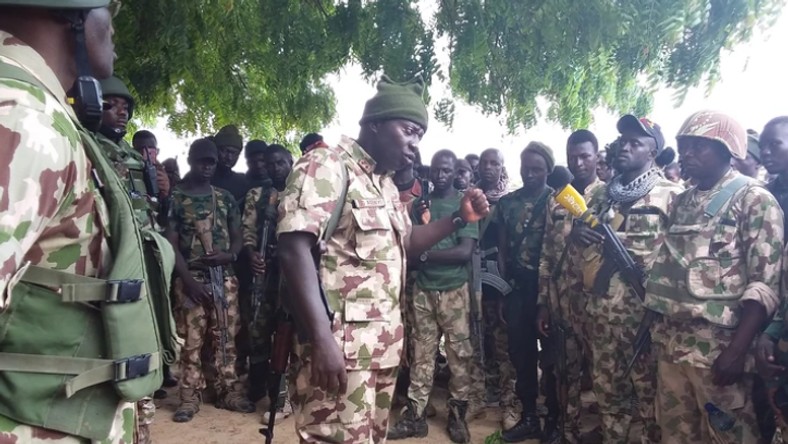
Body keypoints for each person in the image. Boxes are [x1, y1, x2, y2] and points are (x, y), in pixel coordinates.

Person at [276, 75, 489, 443]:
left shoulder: (384, 184)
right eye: (408, 130)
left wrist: (458, 218)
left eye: (419, 135)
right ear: (374, 124)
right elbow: (294, 249)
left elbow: (407, 241)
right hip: (340, 351)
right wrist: (321, 338)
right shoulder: (326, 165)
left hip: (382, 347)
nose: (414, 145)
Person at [0, 1, 172, 443]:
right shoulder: (23, 114)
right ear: (70, 15)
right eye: (107, 10)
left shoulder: (39, 109)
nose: (113, 28)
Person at [644, 111, 784, 443]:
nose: (687, 154)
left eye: (698, 147)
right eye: (683, 146)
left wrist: (736, 352)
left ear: (727, 150)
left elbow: (764, 285)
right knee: (676, 434)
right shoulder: (681, 201)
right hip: (672, 346)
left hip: (718, 351)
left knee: (728, 436)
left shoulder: (753, 199)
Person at [571, 116, 681, 444]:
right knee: (608, 395)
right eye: (623, 140)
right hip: (601, 314)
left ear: (653, 152)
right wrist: (577, 234)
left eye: (636, 142)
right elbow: (583, 247)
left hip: (644, 319)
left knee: (651, 402)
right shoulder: (602, 194)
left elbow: (678, 262)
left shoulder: (671, 196)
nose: (625, 146)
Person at [388, 150, 479, 443]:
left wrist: (426, 256)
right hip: (424, 291)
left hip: (455, 290)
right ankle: (415, 416)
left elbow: (464, 252)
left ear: (456, 173)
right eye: (436, 171)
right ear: (429, 173)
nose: (440, 176)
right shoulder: (419, 206)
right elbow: (410, 245)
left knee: (458, 356)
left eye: (446, 171)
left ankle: (457, 416)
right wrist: (423, 253)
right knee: (422, 353)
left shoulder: (466, 204)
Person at [167, 138, 256, 422]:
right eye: (202, 161)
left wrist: (229, 255)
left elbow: (239, 234)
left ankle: (228, 391)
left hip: (224, 277)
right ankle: (189, 396)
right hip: (191, 278)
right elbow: (171, 244)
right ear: (191, 161)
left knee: (226, 338)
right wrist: (188, 282)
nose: (207, 167)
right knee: (191, 341)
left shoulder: (224, 198)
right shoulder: (177, 198)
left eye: (212, 162)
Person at [536, 129, 604, 443]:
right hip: (563, 302)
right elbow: (547, 255)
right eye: (573, 156)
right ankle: (568, 429)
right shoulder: (557, 201)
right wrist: (543, 303)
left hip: (600, 305)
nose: (578, 162)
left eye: (585, 156)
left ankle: (605, 431)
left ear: (597, 156)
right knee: (565, 370)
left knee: (603, 373)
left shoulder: (609, 197)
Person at [494, 142, 556, 442]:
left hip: (550, 291)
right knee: (522, 354)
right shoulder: (507, 204)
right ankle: (530, 415)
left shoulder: (558, 202)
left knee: (554, 357)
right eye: (526, 168)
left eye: (537, 169)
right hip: (518, 290)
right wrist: (505, 291)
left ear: (548, 170)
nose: (530, 174)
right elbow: (502, 250)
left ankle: (555, 419)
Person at [244, 143, 295, 424]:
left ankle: (282, 397)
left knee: (288, 332)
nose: (276, 168)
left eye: (281, 163)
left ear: (290, 162)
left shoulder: (302, 193)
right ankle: (258, 385)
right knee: (258, 329)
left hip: (292, 274)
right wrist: (253, 254)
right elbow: (249, 229)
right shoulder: (257, 194)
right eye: (271, 164)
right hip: (265, 274)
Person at [473, 148, 518, 430]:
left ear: (502, 167)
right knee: (476, 345)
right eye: (484, 163)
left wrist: (506, 288)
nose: (489, 168)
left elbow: (507, 248)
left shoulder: (509, 202)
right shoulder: (469, 199)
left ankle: (509, 401)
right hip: (472, 281)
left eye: (495, 163)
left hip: (498, 282)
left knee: (503, 348)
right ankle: (478, 397)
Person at [236, 138, 270, 374]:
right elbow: (246, 228)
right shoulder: (251, 190)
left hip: (283, 267)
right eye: (254, 160)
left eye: (263, 160)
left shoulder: (289, 189)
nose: (260, 165)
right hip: (253, 266)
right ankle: (251, 371)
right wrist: (251, 254)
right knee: (251, 319)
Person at [212, 124, 249, 201]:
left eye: (234, 153)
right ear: (216, 150)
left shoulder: (242, 182)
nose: (229, 158)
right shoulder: (202, 179)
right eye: (226, 151)